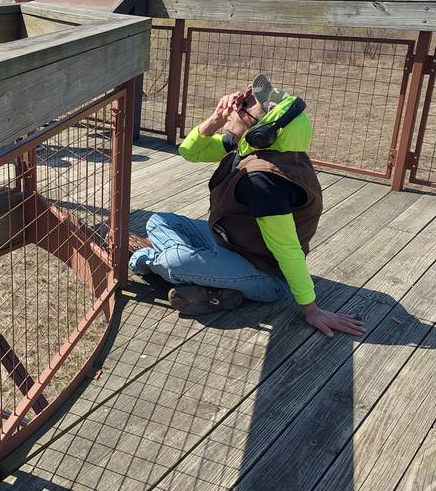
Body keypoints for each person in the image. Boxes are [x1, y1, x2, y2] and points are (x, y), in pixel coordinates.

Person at [129, 75, 365, 338]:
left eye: (242, 108)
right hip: (230, 241)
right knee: (158, 221)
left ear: (263, 130)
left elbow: (287, 249)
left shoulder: (264, 180)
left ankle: (151, 261)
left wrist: (312, 310)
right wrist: (217, 119)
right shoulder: (254, 145)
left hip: (265, 275)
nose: (233, 109)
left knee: (175, 261)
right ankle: (215, 288)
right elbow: (189, 151)